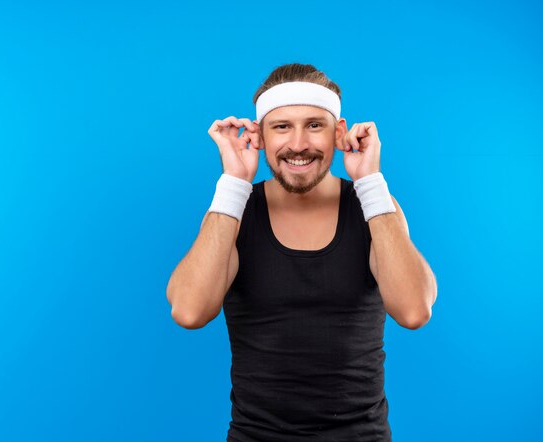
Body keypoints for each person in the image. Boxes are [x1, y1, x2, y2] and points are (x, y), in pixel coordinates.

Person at [166, 63, 438, 441]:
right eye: (281, 127)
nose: (297, 144)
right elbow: (189, 310)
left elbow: (414, 310)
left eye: (314, 125)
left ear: (338, 133)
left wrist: (370, 182)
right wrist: (233, 182)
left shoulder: (374, 206)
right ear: (259, 135)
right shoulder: (234, 211)